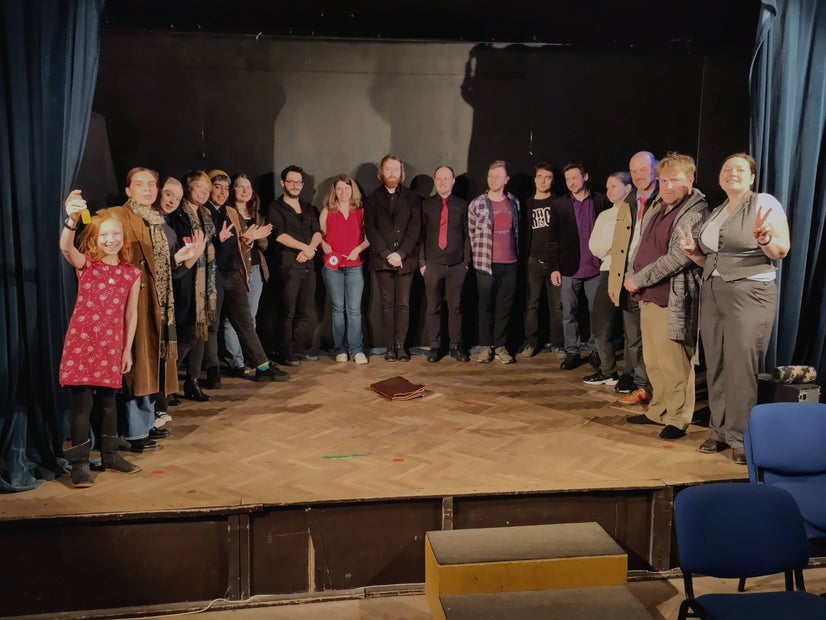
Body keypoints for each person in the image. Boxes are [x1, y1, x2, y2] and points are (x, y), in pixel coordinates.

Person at [679, 153, 790, 463]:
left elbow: (781, 250)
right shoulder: (716, 213)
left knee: (741, 366)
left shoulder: (763, 202)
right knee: (715, 362)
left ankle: (742, 438)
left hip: (750, 293)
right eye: (726, 169)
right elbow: (712, 260)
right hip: (714, 292)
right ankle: (719, 431)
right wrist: (693, 253)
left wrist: (766, 238)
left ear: (752, 177)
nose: (732, 174)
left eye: (740, 170)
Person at [110, 168, 201, 452]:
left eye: (152, 185)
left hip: (158, 303)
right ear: (128, 190)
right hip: (134, 302)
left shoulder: (156, 221)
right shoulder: (121, 217)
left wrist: (181, 259)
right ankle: (134, 432)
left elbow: (159, 267)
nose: (148, 189)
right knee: (138, 364)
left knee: (154, 364)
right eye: (140, 184)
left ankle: (146, 424)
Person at [59, 196, 145, 486]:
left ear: (124, 238)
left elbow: (131, 314)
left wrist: (126, 349)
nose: (111, 240)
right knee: (82, 405)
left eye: (116, 234)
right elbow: (65, 247)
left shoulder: (131, 274)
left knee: (109, 403)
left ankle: (110, 455)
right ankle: (79, 464)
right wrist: (71, 220)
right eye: (104, 235)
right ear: (95, 238)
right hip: (82, 344)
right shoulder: (87, 266)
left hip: (110, 346)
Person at [623, 153, 708, 440]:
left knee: (674, 363)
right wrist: (632, 275)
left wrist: (639, 278)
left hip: (672, 297)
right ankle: (658, 410)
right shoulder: (659, 206)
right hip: (649, 294)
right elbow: (642, 244)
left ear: (690, 180)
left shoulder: (694, 211)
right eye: (663, 180)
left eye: (675, 180)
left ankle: (678, 417)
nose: (668, 186)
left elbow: (677, 259)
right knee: (655, 361)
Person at [206, 169, 286, 382]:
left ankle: (262, 366)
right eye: (217, 188)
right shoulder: (204, 213)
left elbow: (240, 246)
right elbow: (206, 246)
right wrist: (220, 240)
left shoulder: (230, 213)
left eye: (225, 188)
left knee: (245, 321)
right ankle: (216, 369)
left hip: (234, 273)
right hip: (213, 275)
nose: (222, 192)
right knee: (213, 325)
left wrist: (248, 239)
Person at [549, 163, 611, 371]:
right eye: (568, 179)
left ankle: (595, 350)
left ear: (585, 176)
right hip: (569, 268)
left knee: (596, 313)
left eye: (575, 178)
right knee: (569, 313)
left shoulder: (601, 200)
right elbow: (553, 239)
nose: (571, 183)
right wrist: (555, 267)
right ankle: (572, 351)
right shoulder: (559, 205)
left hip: (595, 267)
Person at [363, 154, 422, 362]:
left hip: (406, 260)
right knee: (387, 304)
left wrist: (401, 254)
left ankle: (401, 345)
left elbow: (415, 229)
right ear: (381, 172)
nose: (392, 173)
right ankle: (389, 345)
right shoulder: (371, 199)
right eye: (388, 169)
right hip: (382, 260)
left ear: (401, 172)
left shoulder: (413, 198)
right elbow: (370, 229)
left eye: (396, 169)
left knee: (403, 304)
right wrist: (387, 254)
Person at [609, 152, 657, 402]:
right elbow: (619, 245)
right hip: (627, 281)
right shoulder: (628, 201)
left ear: (655, 169)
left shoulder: (663, 199)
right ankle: (642, 387)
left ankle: (659, 388)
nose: (639, 175)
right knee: (634, 339)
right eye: (634, 171)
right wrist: (615, 281)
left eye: (643, 170)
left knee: (655, 340)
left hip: (654, 282)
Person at [269, 165, 322, 367]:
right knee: (287, 311)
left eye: (299, 182)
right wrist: (305, 248)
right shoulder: (275, 208)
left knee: (305, 310)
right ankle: (285, 352)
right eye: (290, 181)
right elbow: (280, 235)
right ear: (283, 183)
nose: (295, 185)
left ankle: (300, 349)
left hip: (309, 265)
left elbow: (317, 232)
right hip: (289, 266)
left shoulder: (309, 208)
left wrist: (310, 249)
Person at [468, 160, 520, 364]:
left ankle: (501, 346)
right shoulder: (477, 203)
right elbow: (471, 234)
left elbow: (516, 231)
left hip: (510, 264)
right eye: (490, 176)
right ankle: (485, 346)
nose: (493, 179)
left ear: (506, 179)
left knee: (504, 307)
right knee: (486, 307)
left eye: (498, 176)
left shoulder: (514, 203)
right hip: (486, 264)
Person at [419, 165, 471, 362]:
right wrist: (422, 263)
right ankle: (435, 347)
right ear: (434, 181)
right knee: (433, 307)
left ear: (453, 180)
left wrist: (466, 263)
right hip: (432, 266)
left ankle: (456, 346)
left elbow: (468, 236)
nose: (442, 182)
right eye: (439, 179)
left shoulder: (462, 205)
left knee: (456, 308)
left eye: (446, 178)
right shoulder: (425, 205)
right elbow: (420, 236)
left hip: (457, 265)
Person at [583, 172, 630, 386]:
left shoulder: (636, 213)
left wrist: (616, 249)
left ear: (628, 189)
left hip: (630, 274)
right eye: (607, 187)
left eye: (614, 186)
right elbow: (595, 246)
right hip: (608, 272)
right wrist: (611, 249)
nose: (609, 191)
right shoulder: (604, 216)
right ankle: (607, 370)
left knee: (632, 329)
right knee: (601, 323)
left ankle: (631, 376)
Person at [222, 173, 271, 375]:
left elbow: (265, 246)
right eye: (240, 186)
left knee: (250, 317)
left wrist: (257, 237)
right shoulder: (226, 213)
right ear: (232, 190)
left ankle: (253, 359)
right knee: (232, 319)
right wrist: (246, 237)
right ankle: (236, 362)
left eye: (248, 186)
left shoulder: (257, 213)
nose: (244, 190)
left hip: (256, 269)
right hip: (236, 271)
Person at [319, 174, 370, 364]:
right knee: (338, 308)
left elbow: (368, 238)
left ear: (352, 190)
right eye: (339, 189)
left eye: (347, 188)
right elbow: (319, 236)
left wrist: (358, 249)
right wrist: (323, 245)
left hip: (355, 266)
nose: (343, 192)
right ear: (334, 191)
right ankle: (340, 349)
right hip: (332, 267)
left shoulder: (361, 212)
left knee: (354, 310)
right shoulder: (327, 212)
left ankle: (356, 350)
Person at [521, 162, 564, 358]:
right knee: (532, 304)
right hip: (533, 262)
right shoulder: (527, 203)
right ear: (535, 178)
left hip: (556, 264)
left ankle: (558, 344)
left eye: (548, 177)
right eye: (540, 176)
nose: (543, 180)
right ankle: (531, 343)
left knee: (557, 306)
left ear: (552, 180)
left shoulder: (560, 202)